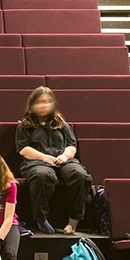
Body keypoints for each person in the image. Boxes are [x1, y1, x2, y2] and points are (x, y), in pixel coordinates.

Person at [13, 86, 92, 235]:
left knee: (78, 174)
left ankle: (74, 219)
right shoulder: (24, 126)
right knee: (43, 175)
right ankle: (41, 218)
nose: (44, 105)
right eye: (40, 102)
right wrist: (44, 157)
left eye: (48, 102)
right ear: (32, 105)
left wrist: (64, 156)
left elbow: (71, 145)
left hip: (63, 160)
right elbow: (23, 149)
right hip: (36, 162)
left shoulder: (61, 123)